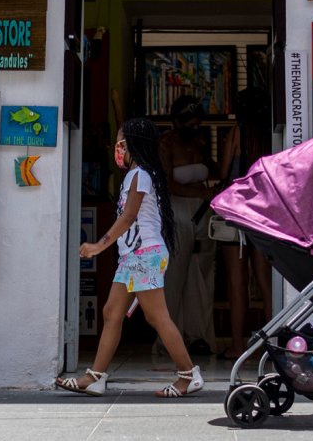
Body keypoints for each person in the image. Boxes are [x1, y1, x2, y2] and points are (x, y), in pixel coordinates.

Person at [56, 118, 204, 398]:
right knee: (112, 313)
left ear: (134, 144)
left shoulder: (141, 175)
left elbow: (128, 217)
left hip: (144, 254)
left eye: (122, 141)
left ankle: (188, 374)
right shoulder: (135, 175)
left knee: (157, 316)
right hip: (133, 257)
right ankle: (95, 377)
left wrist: (99, 246)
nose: (118, 147)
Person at [216, 87, 274, 360]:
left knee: (236, 282)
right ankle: (274, 341)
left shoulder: (237, 133)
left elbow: (223, 171)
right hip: (264, 214)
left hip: (236, 213)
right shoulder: (269, 133)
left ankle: (238, 346)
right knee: (265, 280)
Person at [159, 96, 217, 356]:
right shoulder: (165, 144)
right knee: (175, 274)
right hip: (177, 210)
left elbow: (214, 171)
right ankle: (170, 335)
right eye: (188, 124)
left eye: (197, 124)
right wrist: (201, 195)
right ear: (175, 122)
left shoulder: (200, 143)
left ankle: (198, 335)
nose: (193, 129)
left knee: (201, 274)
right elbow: (166, 183)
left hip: (203, 213)